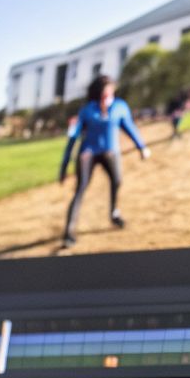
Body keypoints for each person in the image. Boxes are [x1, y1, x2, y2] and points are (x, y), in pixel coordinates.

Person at [58, 74, 149, 248]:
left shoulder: (120, 107)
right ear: (97, 92)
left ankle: (114, 213)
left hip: (110, 152)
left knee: (117, 181)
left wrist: (141, 147)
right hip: (88, 154)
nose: (107, 93)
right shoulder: (87, 110)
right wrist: (64, 165)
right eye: (103, 90)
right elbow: (73, 137)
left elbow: (129, 127)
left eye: (109, 89)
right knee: (80, 189)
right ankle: (68, 232)